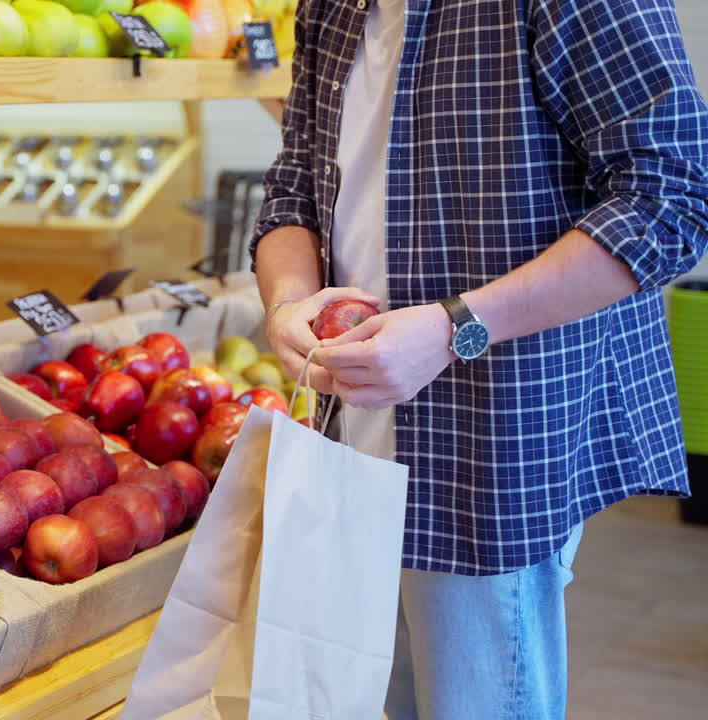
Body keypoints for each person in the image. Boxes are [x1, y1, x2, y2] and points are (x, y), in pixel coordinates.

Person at [251, 0, 708, 717]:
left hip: (491, 450)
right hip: (350, 442)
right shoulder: (330, 7)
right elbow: (291, 190)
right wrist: (287, 301)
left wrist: (454, 327)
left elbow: (668, 199)